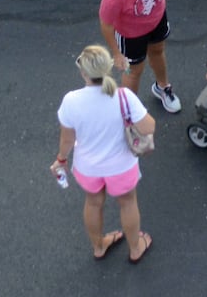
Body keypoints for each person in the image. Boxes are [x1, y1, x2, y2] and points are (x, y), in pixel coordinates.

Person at [51, 45, 157, 263]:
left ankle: (99, 247)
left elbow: (67, 139)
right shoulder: (124, 97)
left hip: (87, 168)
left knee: (93, 203)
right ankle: (135, 248)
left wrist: (61, 160)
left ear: (83, 73)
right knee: (128, 203)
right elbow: (148, 128)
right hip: (121, 167)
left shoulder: (71, 100)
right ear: (108, 68)